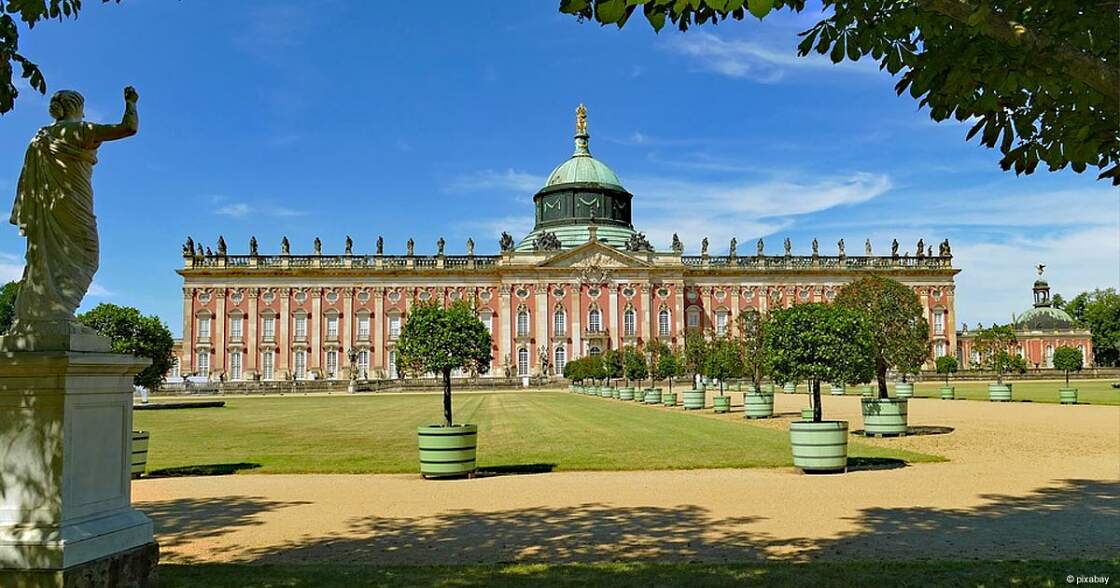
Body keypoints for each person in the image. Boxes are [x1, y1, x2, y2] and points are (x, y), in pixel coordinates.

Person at [8, 87, 138, 337]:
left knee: (44, 256)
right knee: (88, 253)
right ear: (77, 107)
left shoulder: (40, 138)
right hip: (74, 204)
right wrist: (131, 103)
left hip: (46, 206)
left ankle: (45, 314)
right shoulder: (81, 130)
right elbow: (128, 127)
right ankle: (59, 314)